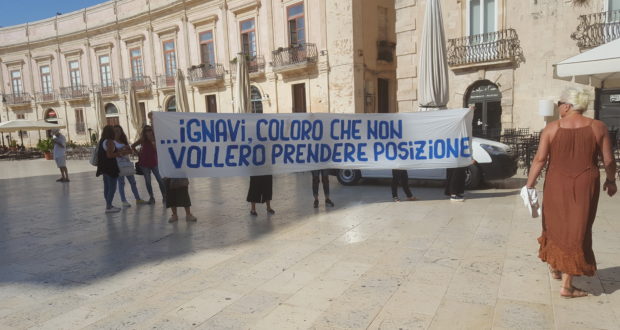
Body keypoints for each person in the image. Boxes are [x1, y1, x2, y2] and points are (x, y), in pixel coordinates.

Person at [526, 88, 617, 298]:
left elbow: (539, 160)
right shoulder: (598, 127)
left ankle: (559, 273)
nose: (558, 107)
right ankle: (565, 281)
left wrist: (529, 185)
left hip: (556, 183)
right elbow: (609, 161)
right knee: (578, 227)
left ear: (567, 105)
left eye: (559, 104)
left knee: (554, 224)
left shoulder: (551, 128)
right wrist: (611, 181)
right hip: (585, 183)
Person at [97, 125, 131, 213]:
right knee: (112, 187)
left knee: (107, 187)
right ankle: (108, 207)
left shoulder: (102, 141)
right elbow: (110, 155)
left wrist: (119, 150)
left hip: (103, 167)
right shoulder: (110, 142)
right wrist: (120, 154)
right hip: (110, 167)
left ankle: (108, 204)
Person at [113, 125, 147, 207]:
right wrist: (124, 150)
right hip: (118, 164)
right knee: (121, 183)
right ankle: (124, 201)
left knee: (133, 182)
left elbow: (130, 151)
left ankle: (138, 199)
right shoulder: (112, 142)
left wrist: (125, 150)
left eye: (119, 131)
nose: (118, 132)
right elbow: (116, 153)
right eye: (116, 131)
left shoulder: (123, 141)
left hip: (127, 163)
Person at [132, 125, 165, 204]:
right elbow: (132, 146)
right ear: (144, 132)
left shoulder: (155, 139)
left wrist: (153, 142)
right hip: (144, 163)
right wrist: (138, 154)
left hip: (154, 162)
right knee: (148, 181)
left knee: (160, 180)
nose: (148, 132)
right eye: (146, 130)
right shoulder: (142, 140)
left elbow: (158, 150)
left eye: (150, 130)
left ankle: (164, 196)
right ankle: (151, 197)